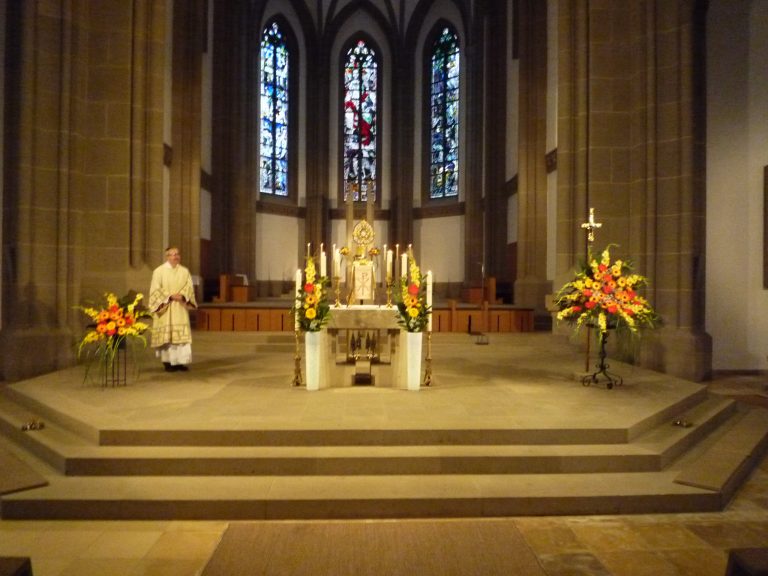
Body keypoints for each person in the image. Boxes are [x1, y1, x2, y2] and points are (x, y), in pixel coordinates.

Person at [149, 246, 197, 372]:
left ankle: (181, 362)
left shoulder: (184, 271)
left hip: (179, 307)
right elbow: (155, 290)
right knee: (168, 337)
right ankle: (168, 362)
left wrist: (183, 295)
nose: (175, 257)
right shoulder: (159, 271)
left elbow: (189, 287)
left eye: (177, 254)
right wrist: (169, 296)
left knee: (180, 337)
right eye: (172, 254)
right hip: (166, 308)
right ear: (167, 257)